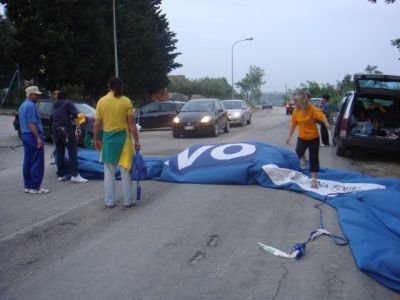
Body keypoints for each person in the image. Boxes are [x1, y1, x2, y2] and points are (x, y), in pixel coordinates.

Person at [93, 77, 140, 208]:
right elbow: (131, 124)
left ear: (109, 86)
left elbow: (97, 123)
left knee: (109, 172)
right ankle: (128, 201)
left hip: (108, 140)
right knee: (125, 171)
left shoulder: (101, 101)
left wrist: (96, 139)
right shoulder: (126, 101)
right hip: (124, 140)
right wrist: (136, 141)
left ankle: (109, 201)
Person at [286, 91, 330, 188]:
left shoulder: (312, 109)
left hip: (314, 137)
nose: (294, 104)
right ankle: (303, 158)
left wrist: (326, 123)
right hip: (302, 137)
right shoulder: (295, 112)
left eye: (295, 102)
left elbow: (322, 116)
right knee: (298, 150)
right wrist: (289, 137)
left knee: (314, 157)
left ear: (301, 101)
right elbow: (293, 125)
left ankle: (314, 179)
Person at [50, 90, 88, 183]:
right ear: (66, 97)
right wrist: (78, 129)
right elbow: (75, 116)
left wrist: (52, 134)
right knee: (72, 152)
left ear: (58, 98)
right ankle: (75, 175)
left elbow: (51, 118)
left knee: (59, 153)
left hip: (55, 130)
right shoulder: (68, 103)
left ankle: (61, 175)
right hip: (66, 131)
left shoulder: (54, 105)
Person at [18, 86, 50, 194]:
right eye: (36, 95)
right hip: (33, 135)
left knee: (27, 160)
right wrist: (38, 138)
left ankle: (28, 185)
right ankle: (35, 187)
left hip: (25, 135)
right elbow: (32, 123)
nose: (38, 97)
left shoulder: (22, 105)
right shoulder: (31, 105)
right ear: (30, 94)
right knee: (37, 161)